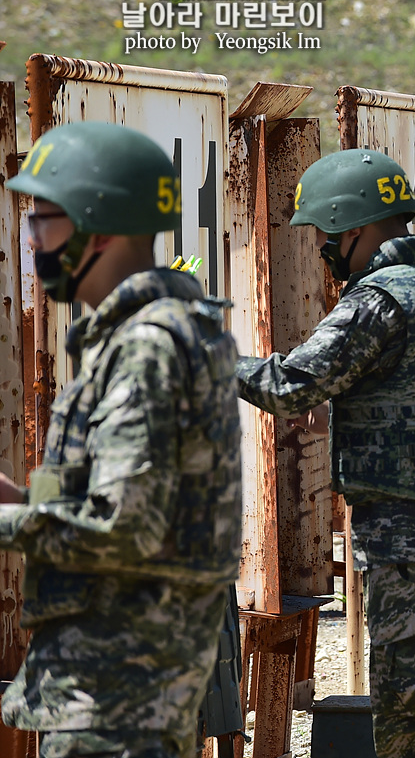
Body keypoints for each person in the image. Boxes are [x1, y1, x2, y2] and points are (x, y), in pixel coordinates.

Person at [237, 149, 415, 758]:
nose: (327, 252)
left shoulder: (380, 301)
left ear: (354, 229)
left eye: (329, 237)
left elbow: (292, 385)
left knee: (410, 721)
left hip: (413, 542)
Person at [0, 121, 242, 758]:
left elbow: (124, 529)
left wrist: (11, 520)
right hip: (136, 687)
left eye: (43, 220)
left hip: (114, 699)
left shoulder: (144, 348)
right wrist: (26, 500)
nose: (30, 241)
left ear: (94, 228)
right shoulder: (166, 333)